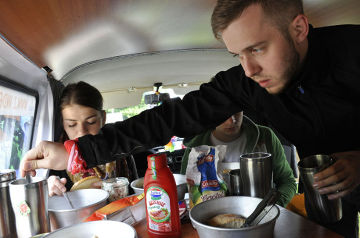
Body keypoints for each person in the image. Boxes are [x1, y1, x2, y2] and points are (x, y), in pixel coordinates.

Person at [21, 0, 360, 237]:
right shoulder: (244, 82)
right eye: (237, 55)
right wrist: (77, 152)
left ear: (299, 28)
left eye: (257, 48)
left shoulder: (352, 51)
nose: (249, 70)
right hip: (327, 196)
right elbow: (167, 119)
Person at [180, 112, 296, 207]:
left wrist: (270, 208)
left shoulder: (265, 137)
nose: (232, 120)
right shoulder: (195, 147)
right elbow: (186, 190)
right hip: (210, 222)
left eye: (236, 111)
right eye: (223, 113)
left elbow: (287, 182)